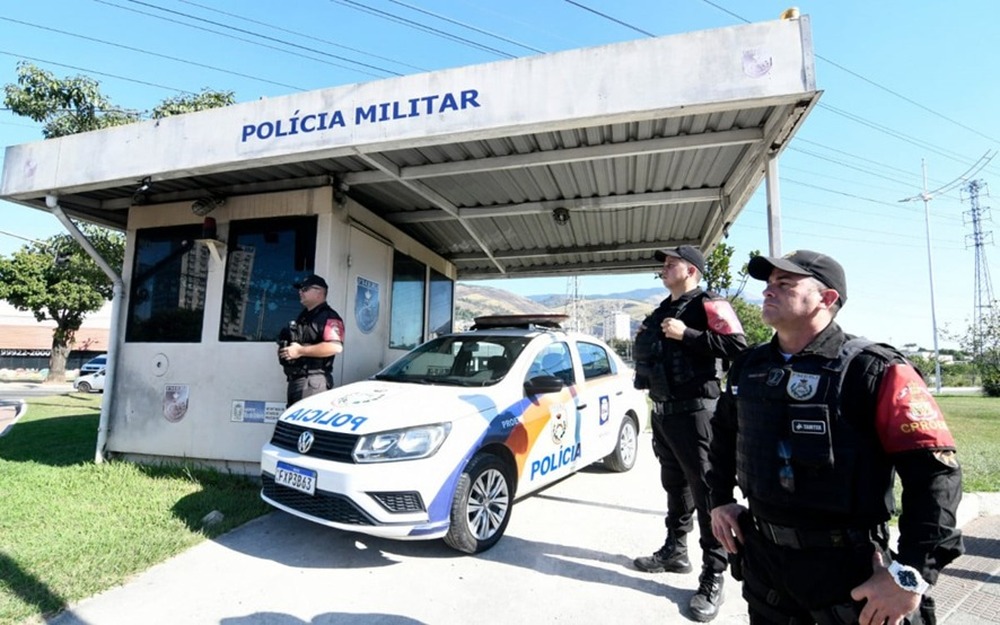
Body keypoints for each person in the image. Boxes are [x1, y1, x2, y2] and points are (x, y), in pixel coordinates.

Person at [707, 250, 963, 625]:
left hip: (849, 572)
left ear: (827, 299)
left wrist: (909, 576)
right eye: (767, 284)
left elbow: (936, 476)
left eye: (784, 283)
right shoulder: (750, 366)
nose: (767, 292)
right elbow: (725, 437)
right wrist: (719, 500)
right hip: (765, 566)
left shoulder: (873, 369)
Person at [632, 245, 748, 622]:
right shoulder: (662, 310)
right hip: (665, 415)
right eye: (663, 265)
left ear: (693, 271)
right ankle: (674, 551)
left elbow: (737, 348)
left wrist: (690, 335)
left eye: (671, 263)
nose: (664, 269)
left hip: (699, 413)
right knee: (675, 488)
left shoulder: (709, 304)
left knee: (707, 493)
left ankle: (713, 574)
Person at [277, 274, 345, 406]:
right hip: (297, 380)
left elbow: (335, 347)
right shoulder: (304, 316)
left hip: (313, 381)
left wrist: (300, 351)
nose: (300, 292)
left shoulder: (328, 316)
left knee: (304, 426)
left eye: (305, 289)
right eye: (300, 289)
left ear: (319, 292)